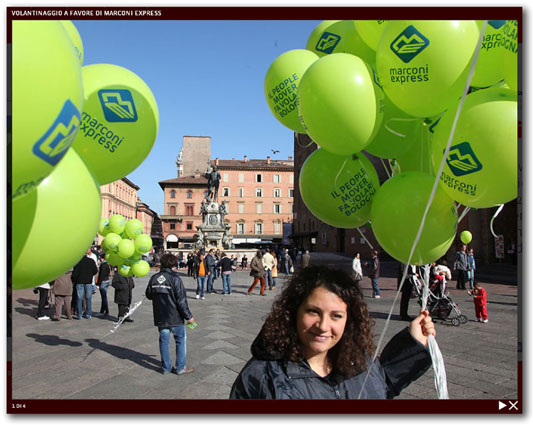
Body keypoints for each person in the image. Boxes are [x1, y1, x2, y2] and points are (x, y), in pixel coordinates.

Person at [230, 266, 435, 399]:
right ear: (293, 312)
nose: (323, 326)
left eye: (336, 316)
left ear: (349, 320)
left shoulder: (357, 361)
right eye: (313, 312)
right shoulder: (262, 377)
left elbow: (379, 386)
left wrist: (413, 343)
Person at [145, 253, 195, 375]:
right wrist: (189, 316)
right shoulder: (175, 279)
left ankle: (166, 367)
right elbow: (181, 300)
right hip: (175, 316)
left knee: (164, 342)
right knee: (180, 341)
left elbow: (148, 295)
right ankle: (180, 367)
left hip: (161, 316)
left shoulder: (154, 278)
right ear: (173, 264)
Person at [72, 249, 98, 320]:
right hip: (88, 282)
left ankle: (79, 314)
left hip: (79, 282)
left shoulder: (77, 262)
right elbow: (95, 270)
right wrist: (89, 275)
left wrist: (74, 279)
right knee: (88, 298)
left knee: (79, 298)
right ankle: (88, 314)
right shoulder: (91, 261)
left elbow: (75, 273)